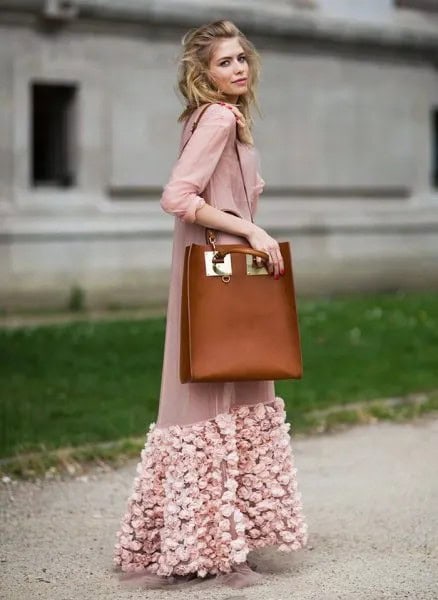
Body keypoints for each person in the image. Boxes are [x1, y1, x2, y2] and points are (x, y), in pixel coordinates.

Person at [113, 19, 309, 590]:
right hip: (222, 274)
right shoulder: (219, 117)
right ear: (203, 74)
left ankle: (199, 540)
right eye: (224, 62)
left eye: (242, 58)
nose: (238, 68)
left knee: (229, 391)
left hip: (219, 272)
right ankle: (217, 553)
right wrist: (251, 231)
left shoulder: (218, 118)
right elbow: (177, 196)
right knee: (215, 397)